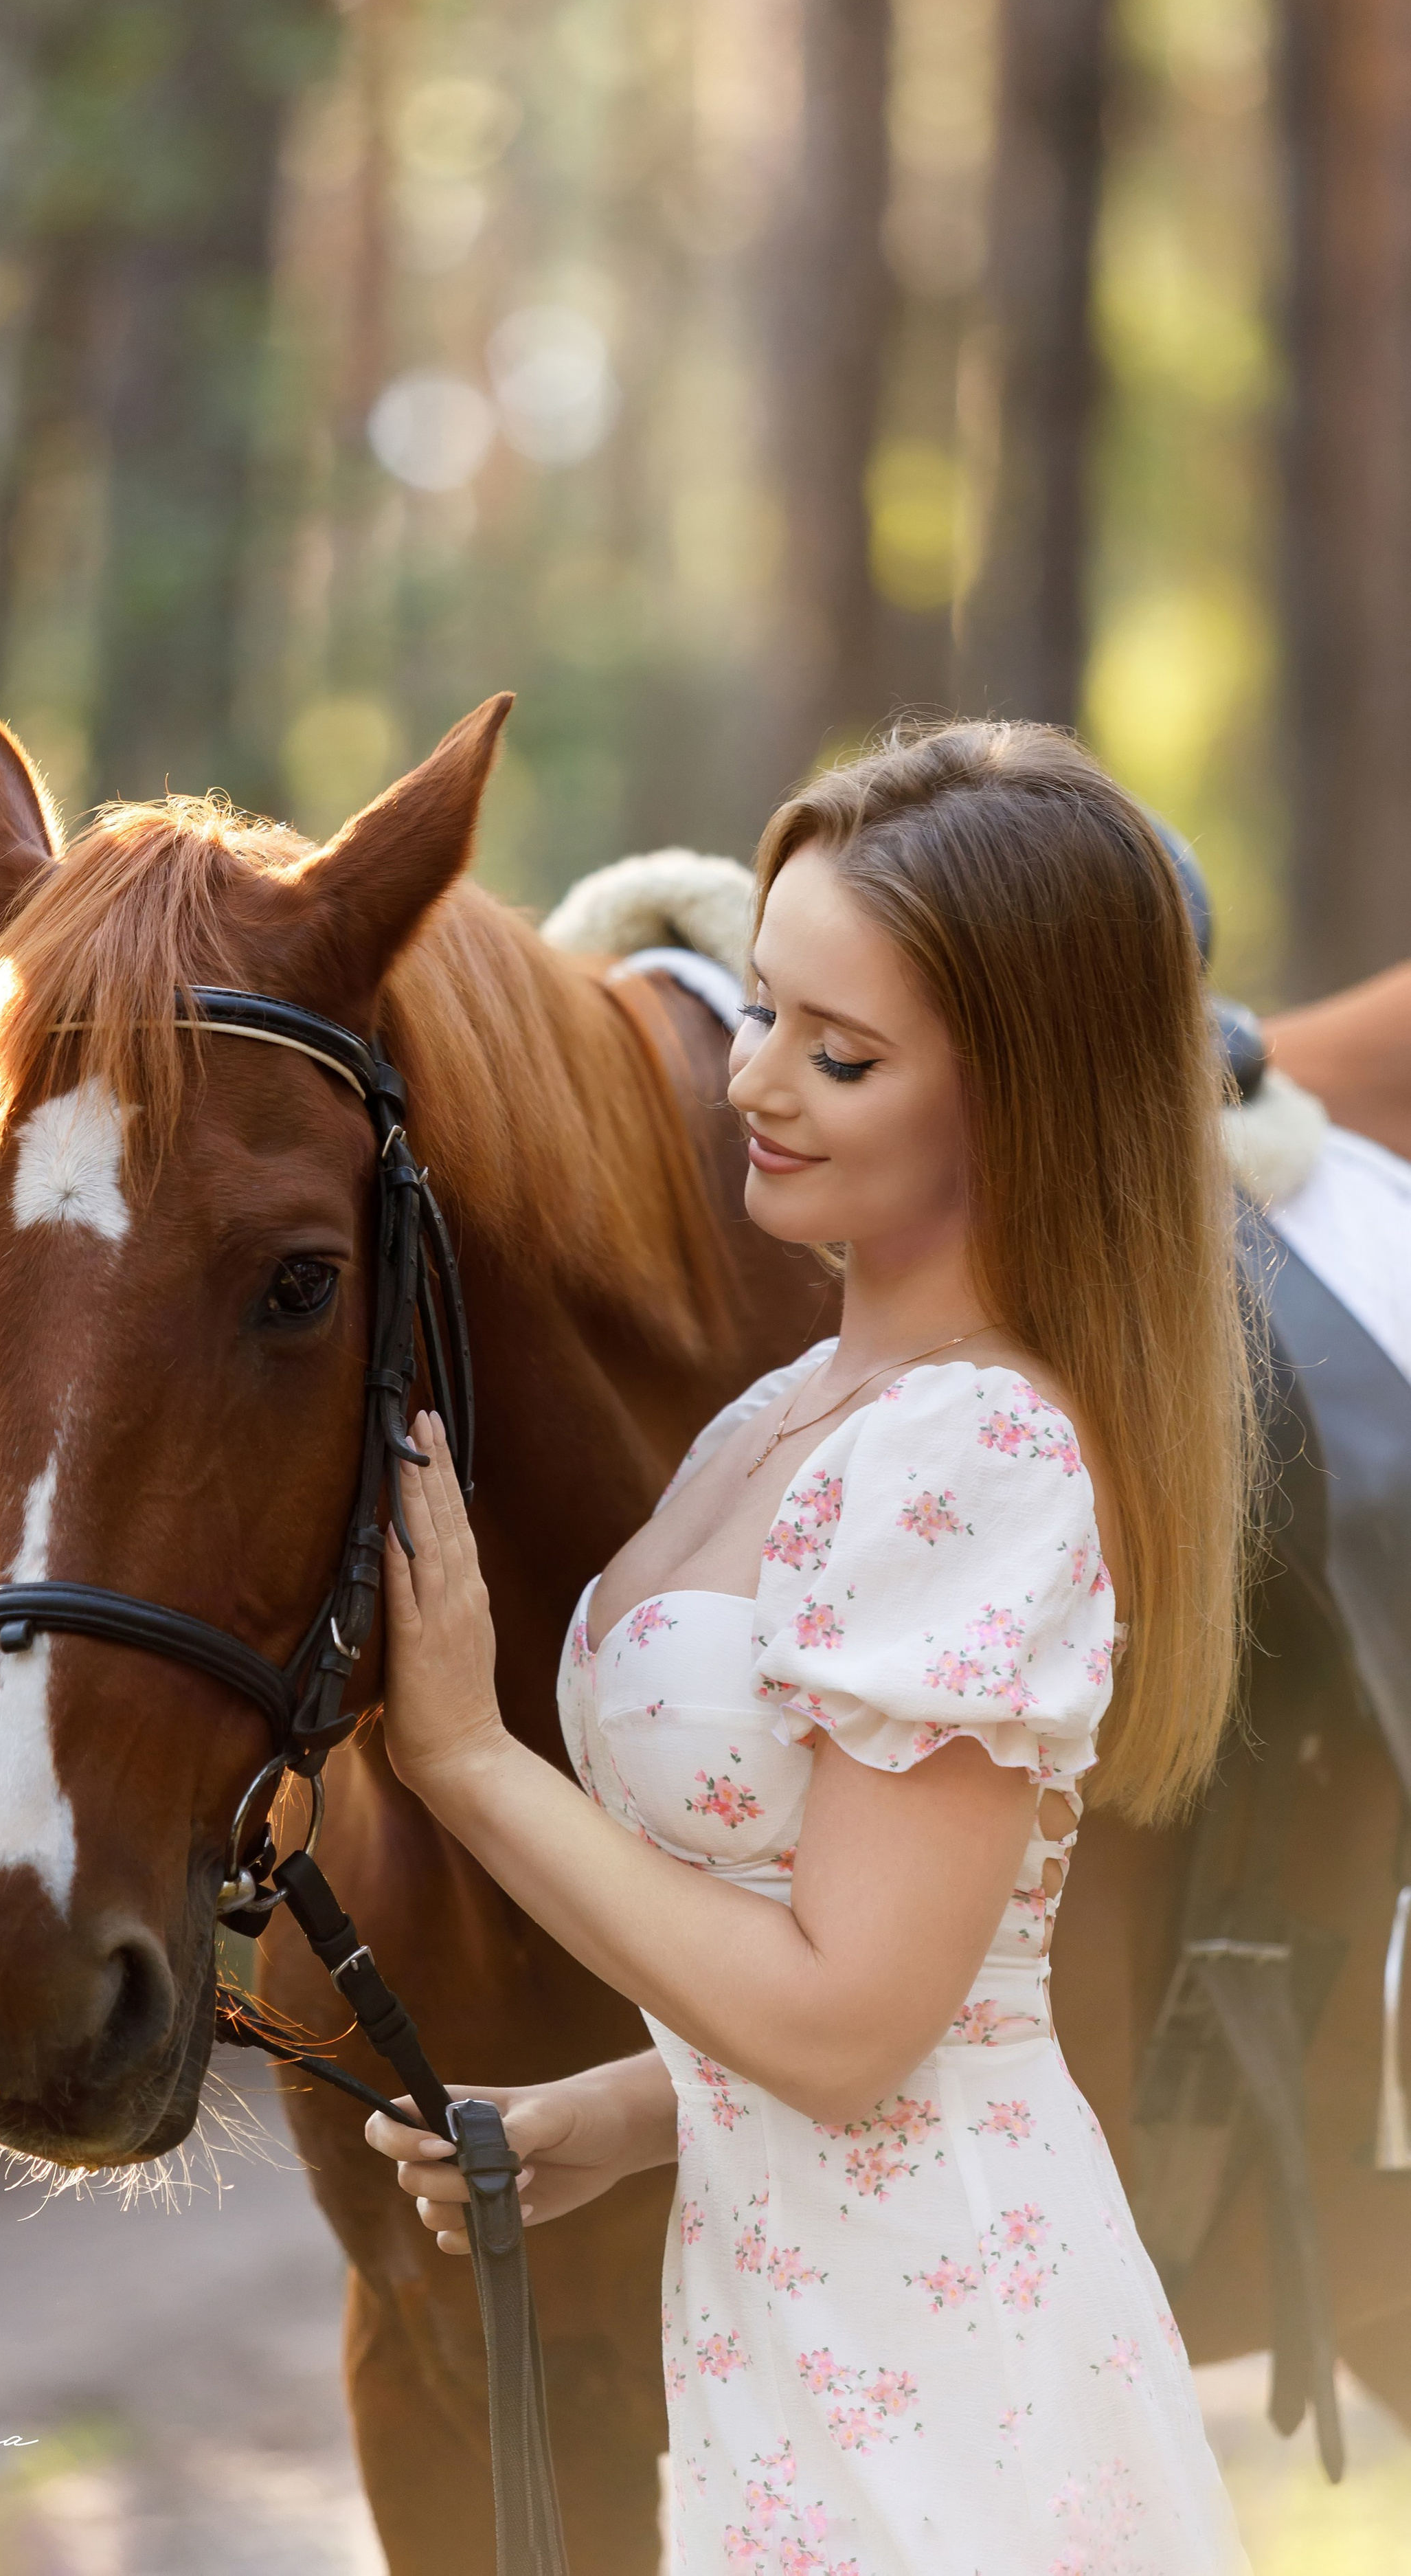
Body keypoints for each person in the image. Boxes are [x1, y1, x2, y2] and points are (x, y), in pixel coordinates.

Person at [366, 721, 1254, 2575]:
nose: (752, 1082)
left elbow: (857, 2030)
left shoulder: (978, 1447)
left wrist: (466, 1758)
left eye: (838, 1054)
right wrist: (617, 2111)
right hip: (797, 2336)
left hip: (945, 2375)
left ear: (1017, 1098)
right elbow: (900, 1999)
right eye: (763, 1011)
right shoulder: (786, 1412)